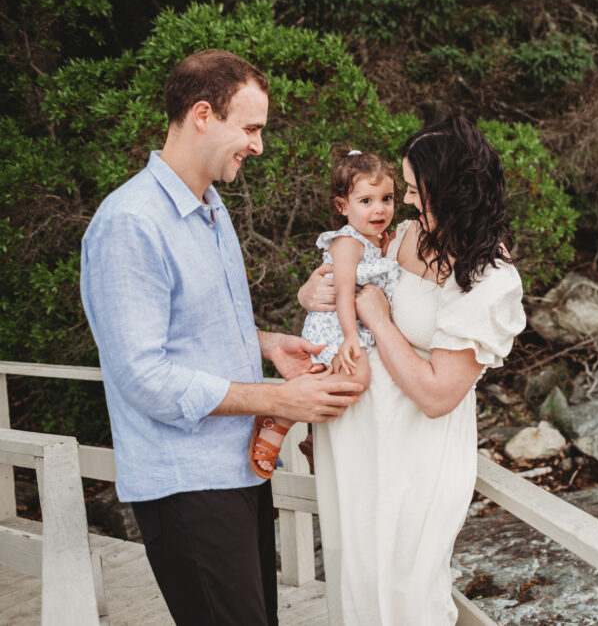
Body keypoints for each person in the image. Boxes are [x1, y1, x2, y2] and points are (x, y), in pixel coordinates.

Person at [80, 49, 363, 626]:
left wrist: (264, 343)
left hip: (237, 470)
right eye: (251, 128)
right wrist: (279, 398)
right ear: (203, 115)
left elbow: (185, 327)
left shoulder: (212, 208)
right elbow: (142, 376)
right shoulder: (130, 223)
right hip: (186, 487)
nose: (258, 146)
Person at [298, 116, 527, 625]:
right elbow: (345, 284)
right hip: (358, 437)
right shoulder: (403, 235)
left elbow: (438, 395)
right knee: (357, 575)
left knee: (409, 589)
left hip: (418, 449)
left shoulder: (489, 277)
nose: (403, 199)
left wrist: (379, 321)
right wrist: (310, 293)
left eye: (412, 188)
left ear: (450, 189)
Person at [249, 150, 400, 477]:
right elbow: (344, 291)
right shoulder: (347, 243)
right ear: (342, 206)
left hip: (357, 325)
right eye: (366, 201)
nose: (379, 208)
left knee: (344, 382)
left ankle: (314, 440)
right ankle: (280, 417)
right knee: (355, 379)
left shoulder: (377, 241)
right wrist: (349, 336)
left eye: (386, 199)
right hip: (337, 325)